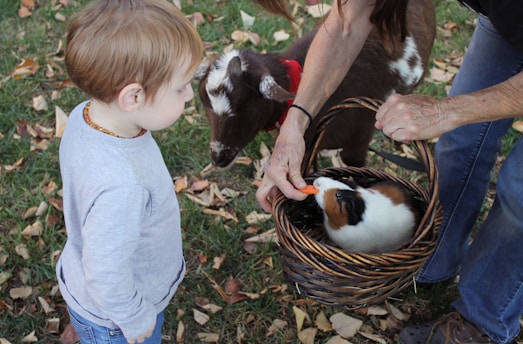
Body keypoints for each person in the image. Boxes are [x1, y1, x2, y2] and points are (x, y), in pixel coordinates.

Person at [255, 0, 523, 343]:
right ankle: (431, 257)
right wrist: (295, 124)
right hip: (507, 19)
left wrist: (448, 111)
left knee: (518, 189)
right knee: (460, 142)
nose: (311, 4)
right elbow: (346, 24)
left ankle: (484, 320)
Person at [57, 0, 202, 343]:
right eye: (180, 87)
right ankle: (88, 329)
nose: (190, 95)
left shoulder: (87, 114)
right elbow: (107, 273)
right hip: (117, 321)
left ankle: (81, 326)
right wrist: (136, 320)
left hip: (88, 283)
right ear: (133, 98)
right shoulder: (122, 188)